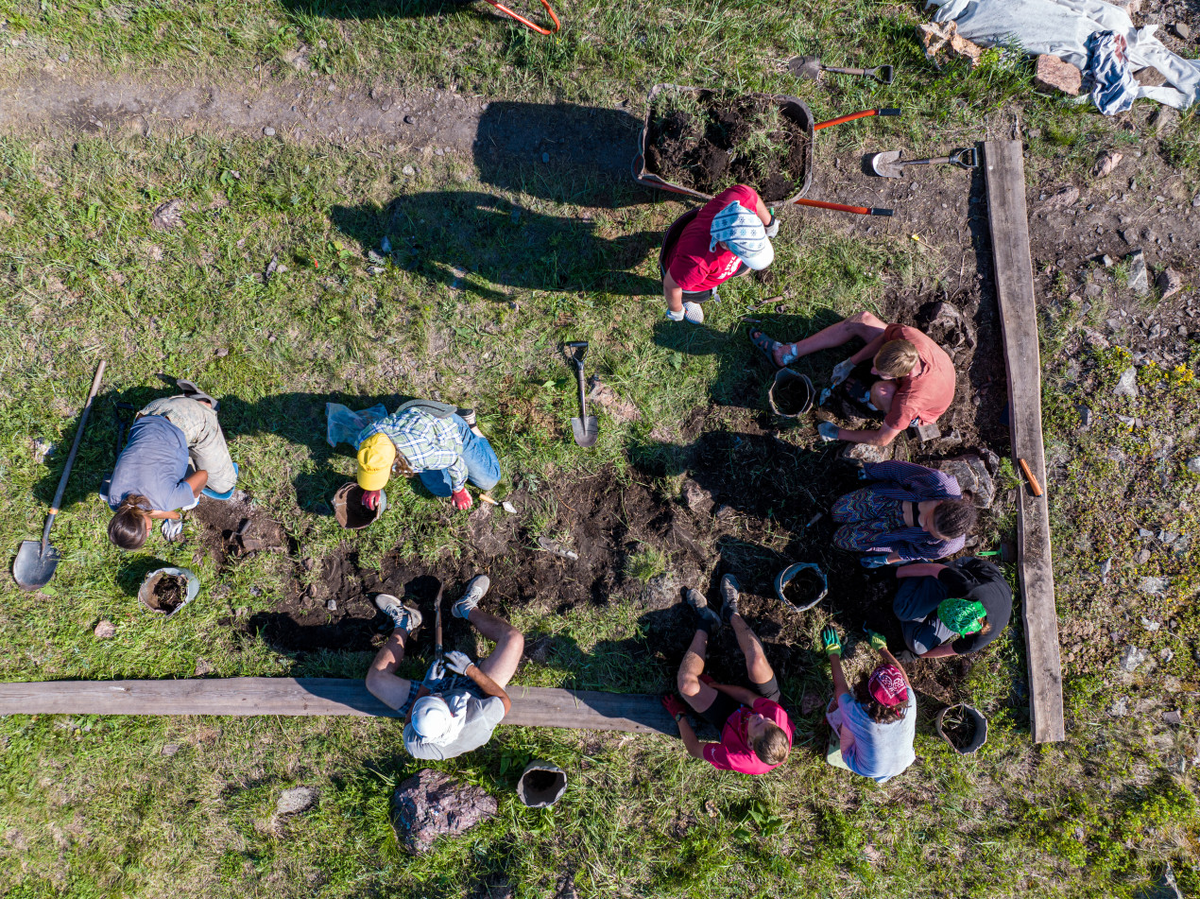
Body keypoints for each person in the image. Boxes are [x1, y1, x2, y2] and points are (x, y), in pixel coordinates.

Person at [365, 575, 524, 761]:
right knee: (513, 640)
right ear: (450, 712)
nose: (437, 694)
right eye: (434, 698)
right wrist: (471, 670)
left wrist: (427, 687)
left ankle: (404, 622)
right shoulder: (480, 718)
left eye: (430, 699)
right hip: (477, 693)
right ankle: (466, 606)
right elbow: (503, 699)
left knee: (375, 682)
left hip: (438, 695)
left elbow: (409, 721)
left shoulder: (415, 744)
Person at [749, 311, 955, 447]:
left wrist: (836, 432)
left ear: (898, 377)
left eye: (879, 372)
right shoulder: (906, 334)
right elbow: (884, 338)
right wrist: (851, 362)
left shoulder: (909, 400)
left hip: (925, 409)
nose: (872, 372)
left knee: (882, 391)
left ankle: (869, 403)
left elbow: (881, 439)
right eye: (874, 364)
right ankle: (787, 353)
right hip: (933, 373)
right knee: (863, 319)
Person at [661, 575, 793, 774]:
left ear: (749, 742)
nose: (759, 715)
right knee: (757, 659)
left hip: (729, 719)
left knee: (687, 685)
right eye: (766, 720)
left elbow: (695, 749)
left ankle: (705, 622)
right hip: (760, 698)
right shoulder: (775, 716)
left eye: (757, 721)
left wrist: (680, 716)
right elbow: (749, 698)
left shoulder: (736, 757)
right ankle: (730, 612)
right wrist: (717, 687)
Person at [103, 387, 239, 550]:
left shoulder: (167, 500)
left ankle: (202, 404)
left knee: (223, 486)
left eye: (148, 533)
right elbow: (152, 510)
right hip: (148, 413)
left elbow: (202, 475)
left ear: (147, 530)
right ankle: (176, 404)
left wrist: (193, 496)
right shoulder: (115, 500)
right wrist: (172, 516)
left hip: (188, 419)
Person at [661, 184, 779, 324]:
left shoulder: (741, 199)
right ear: (724, 244)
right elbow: (671, 285)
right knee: (699, 295)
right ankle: (689, 300)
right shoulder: (697, 263)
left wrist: (769, 222)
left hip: (720, 263)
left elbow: (751, 194)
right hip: (692, 283)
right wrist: (676, 309)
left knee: (744, 268)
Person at [355, 401, 499, 514]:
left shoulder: (419, 454)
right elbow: (373, 461)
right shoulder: (365, 441)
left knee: (489, 481)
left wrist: (459, 490)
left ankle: (470, 424)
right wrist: (372, 486)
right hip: (417, 425)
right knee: (442, 489)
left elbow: (455, 460)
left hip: (448, 425)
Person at [832, 460, 976, 567]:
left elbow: (913, 551)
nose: (924, 530)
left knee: (840, 540)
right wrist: (870, 472)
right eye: (926, 522)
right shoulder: (940, 484)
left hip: (890, 530)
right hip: (888, 500)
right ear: (940, 503)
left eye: (932, 533)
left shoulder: (946, 546)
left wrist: (886, 560)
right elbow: (896, 469)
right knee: (837, 512)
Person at [821, 625, 916, 783]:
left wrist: (833, 653)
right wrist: (882, 649)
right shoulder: (910, 700)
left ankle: (836, 723)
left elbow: (840, 690)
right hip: (902, 764)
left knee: (845, 719)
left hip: (866, 768)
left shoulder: (858, 714)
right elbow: (902, 673)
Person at [892, 556, 1012, 659]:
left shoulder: (976, 640)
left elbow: (947, 650)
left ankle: (919, 604)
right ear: (958, 599)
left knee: (918, 646)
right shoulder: (966, 586)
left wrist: (917, 655)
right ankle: (917, 567)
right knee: (903, 609)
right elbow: (933, 569)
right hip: (968, 570)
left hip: (992, 599)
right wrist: (894, 573)